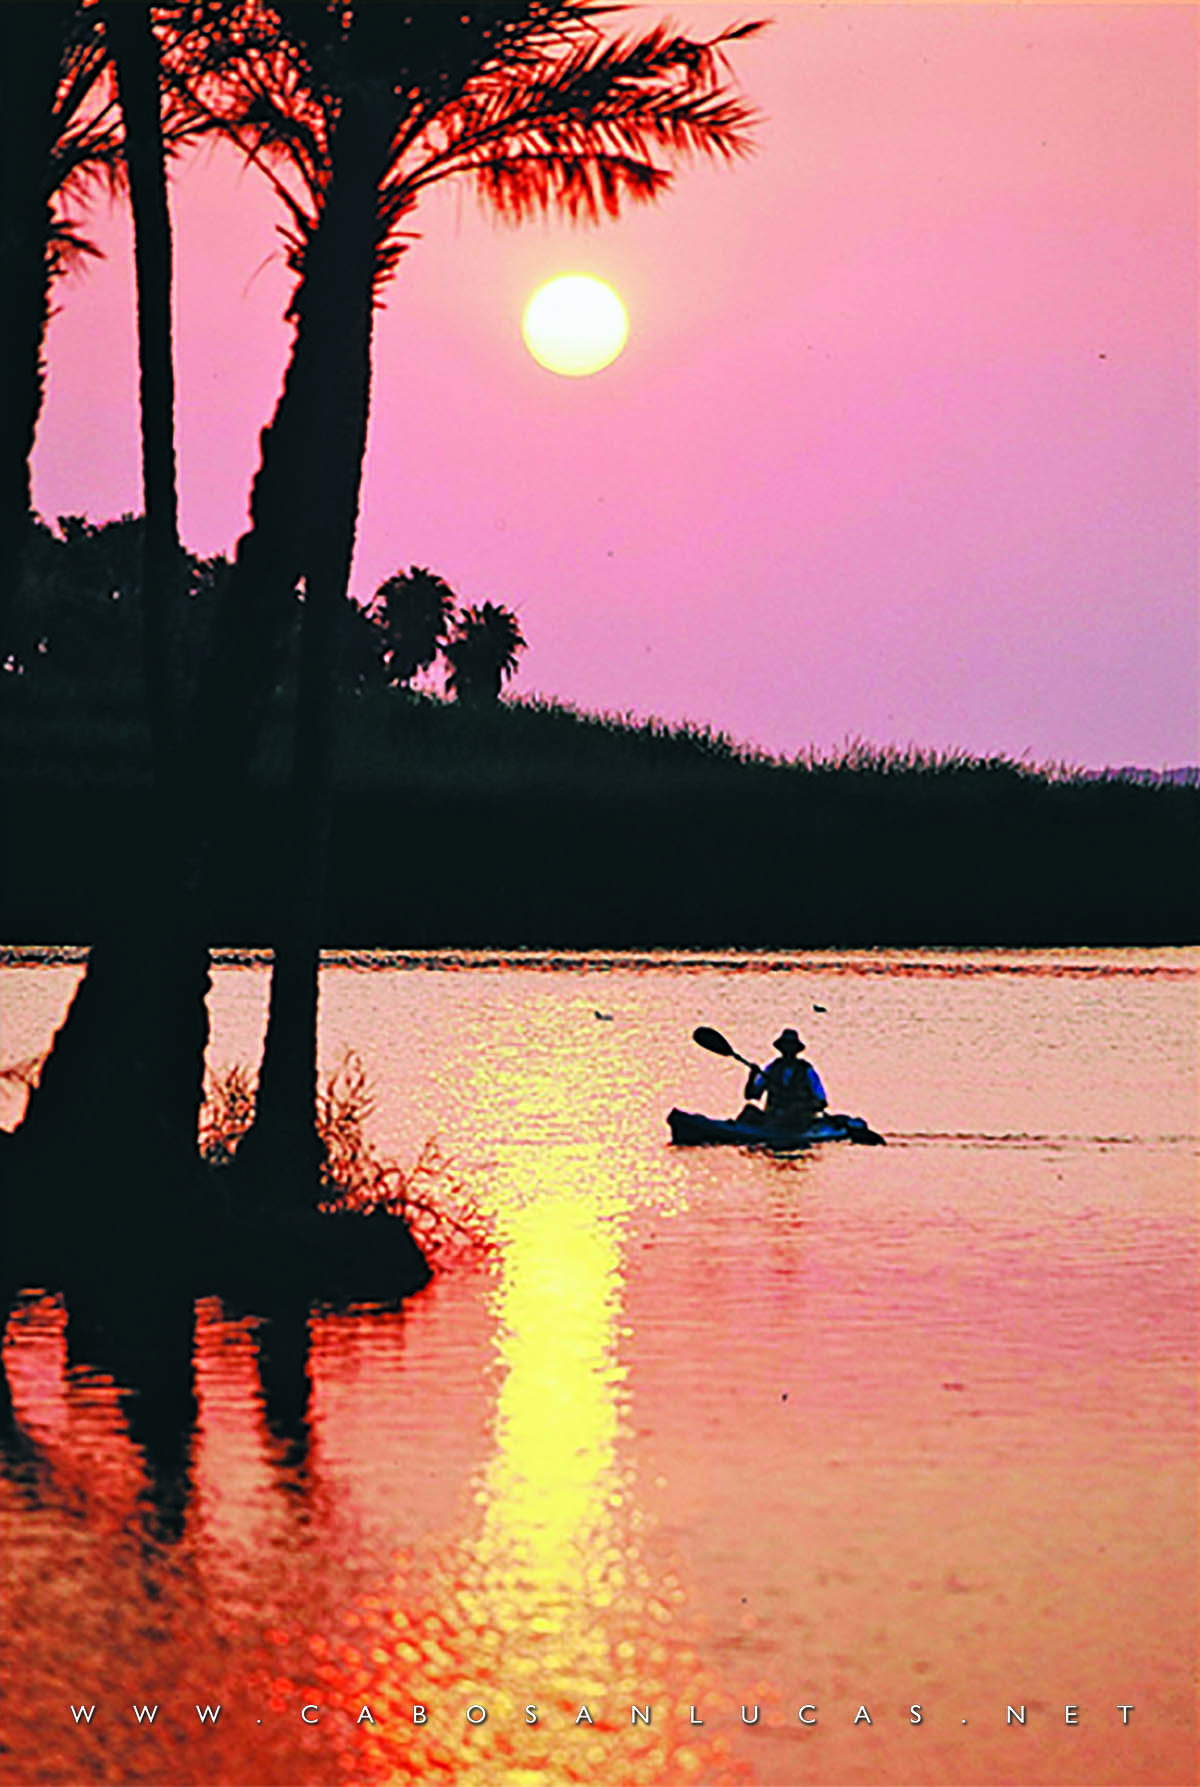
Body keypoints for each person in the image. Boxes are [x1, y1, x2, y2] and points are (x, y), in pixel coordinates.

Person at [742, 1028, 827, 1128]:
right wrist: (752, 1076)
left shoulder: (807, 1071)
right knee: (749, 1111)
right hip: (773, 1115)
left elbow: (822, 1102)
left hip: (797, 1120)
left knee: (791, 1113)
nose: (788, 1050)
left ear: (796, 1049)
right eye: (785, 1046)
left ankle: (769, 1128)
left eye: (791, 1046)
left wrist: (804, 1105)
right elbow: (752, 1095)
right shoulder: (772, 1068)